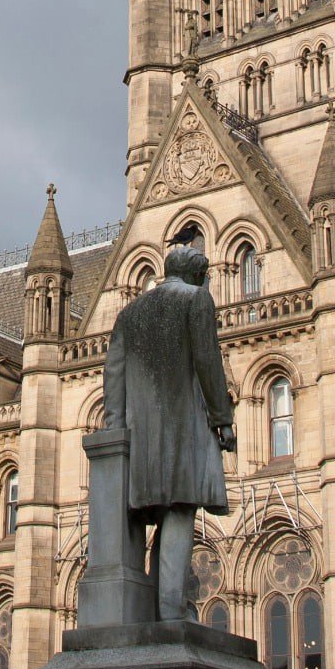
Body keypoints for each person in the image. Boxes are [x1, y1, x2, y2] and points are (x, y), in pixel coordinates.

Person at [103, 241, 236, 620]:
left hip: (142, 443)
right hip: (183, 431)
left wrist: (115, 431)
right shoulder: (196, 300)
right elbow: (208, 361)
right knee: (179, 512)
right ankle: (172, 611)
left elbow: (113, 376)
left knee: (164, 515)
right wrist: (221, 418)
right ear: (196, 275)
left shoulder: (129, 313)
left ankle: (161, 607)